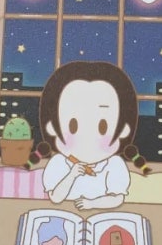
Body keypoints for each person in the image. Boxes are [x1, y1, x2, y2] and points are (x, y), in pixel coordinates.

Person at [39, 60, 137, 210]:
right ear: (52, 128)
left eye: (103, 127)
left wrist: (92, 204)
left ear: (123, 130)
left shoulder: (114, 164)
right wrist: (72, 174)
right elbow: (55, 198)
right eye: (73, 126)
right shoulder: (58, 162)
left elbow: (117, 198)